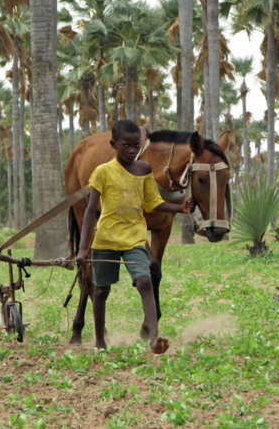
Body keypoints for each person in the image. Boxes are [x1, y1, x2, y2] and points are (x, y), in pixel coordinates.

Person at [76, 119, 195, 354]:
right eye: (125, 146)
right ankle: (100, 340)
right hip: (106, 239)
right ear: (113, 145)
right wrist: (82, 248)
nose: (131, 151)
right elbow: (90, 211)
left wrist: (179, 209)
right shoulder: (102, 172)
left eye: (135, 146)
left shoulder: (144, 170)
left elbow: (153, 202)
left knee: (144, 280)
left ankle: (154, 337)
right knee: (100, 291)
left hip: (135, 239)